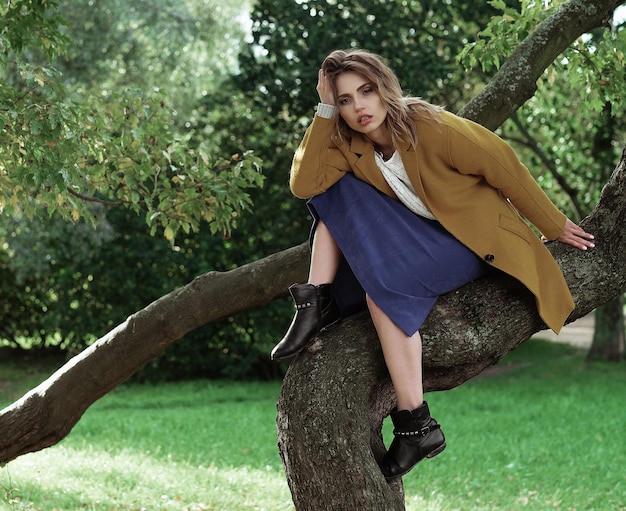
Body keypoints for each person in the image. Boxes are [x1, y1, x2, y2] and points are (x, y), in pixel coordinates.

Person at [270, 49, 595, 480]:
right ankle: (313, 306)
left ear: (384, 87)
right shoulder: (352, 146)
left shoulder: (429, 126)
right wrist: (324, 109)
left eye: (365, 92)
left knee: (383, 291)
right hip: (420, 242)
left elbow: (502, 163)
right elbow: (305, 183)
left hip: (471, 244)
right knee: (333, 195)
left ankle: (416, 423)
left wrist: (553, 224)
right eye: (345, 100)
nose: (359, 107)